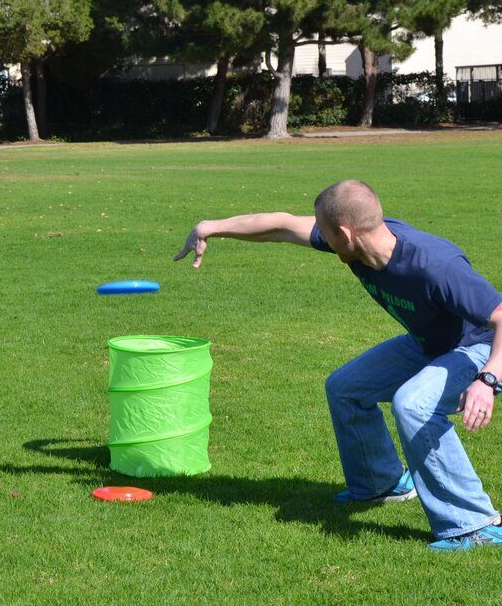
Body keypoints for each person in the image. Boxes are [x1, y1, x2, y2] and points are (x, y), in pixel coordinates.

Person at [175, 179, 502, 552]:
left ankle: (475, 524)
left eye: (326, 233)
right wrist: (210, 227)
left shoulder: (435, 265)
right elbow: (281, 226)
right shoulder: (360, 244)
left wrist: (487, 380)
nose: (321, 239)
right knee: (346, 387)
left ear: (345, 233)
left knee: (414, 404)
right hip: (429, 344)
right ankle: (382, 483)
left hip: (479, 348)